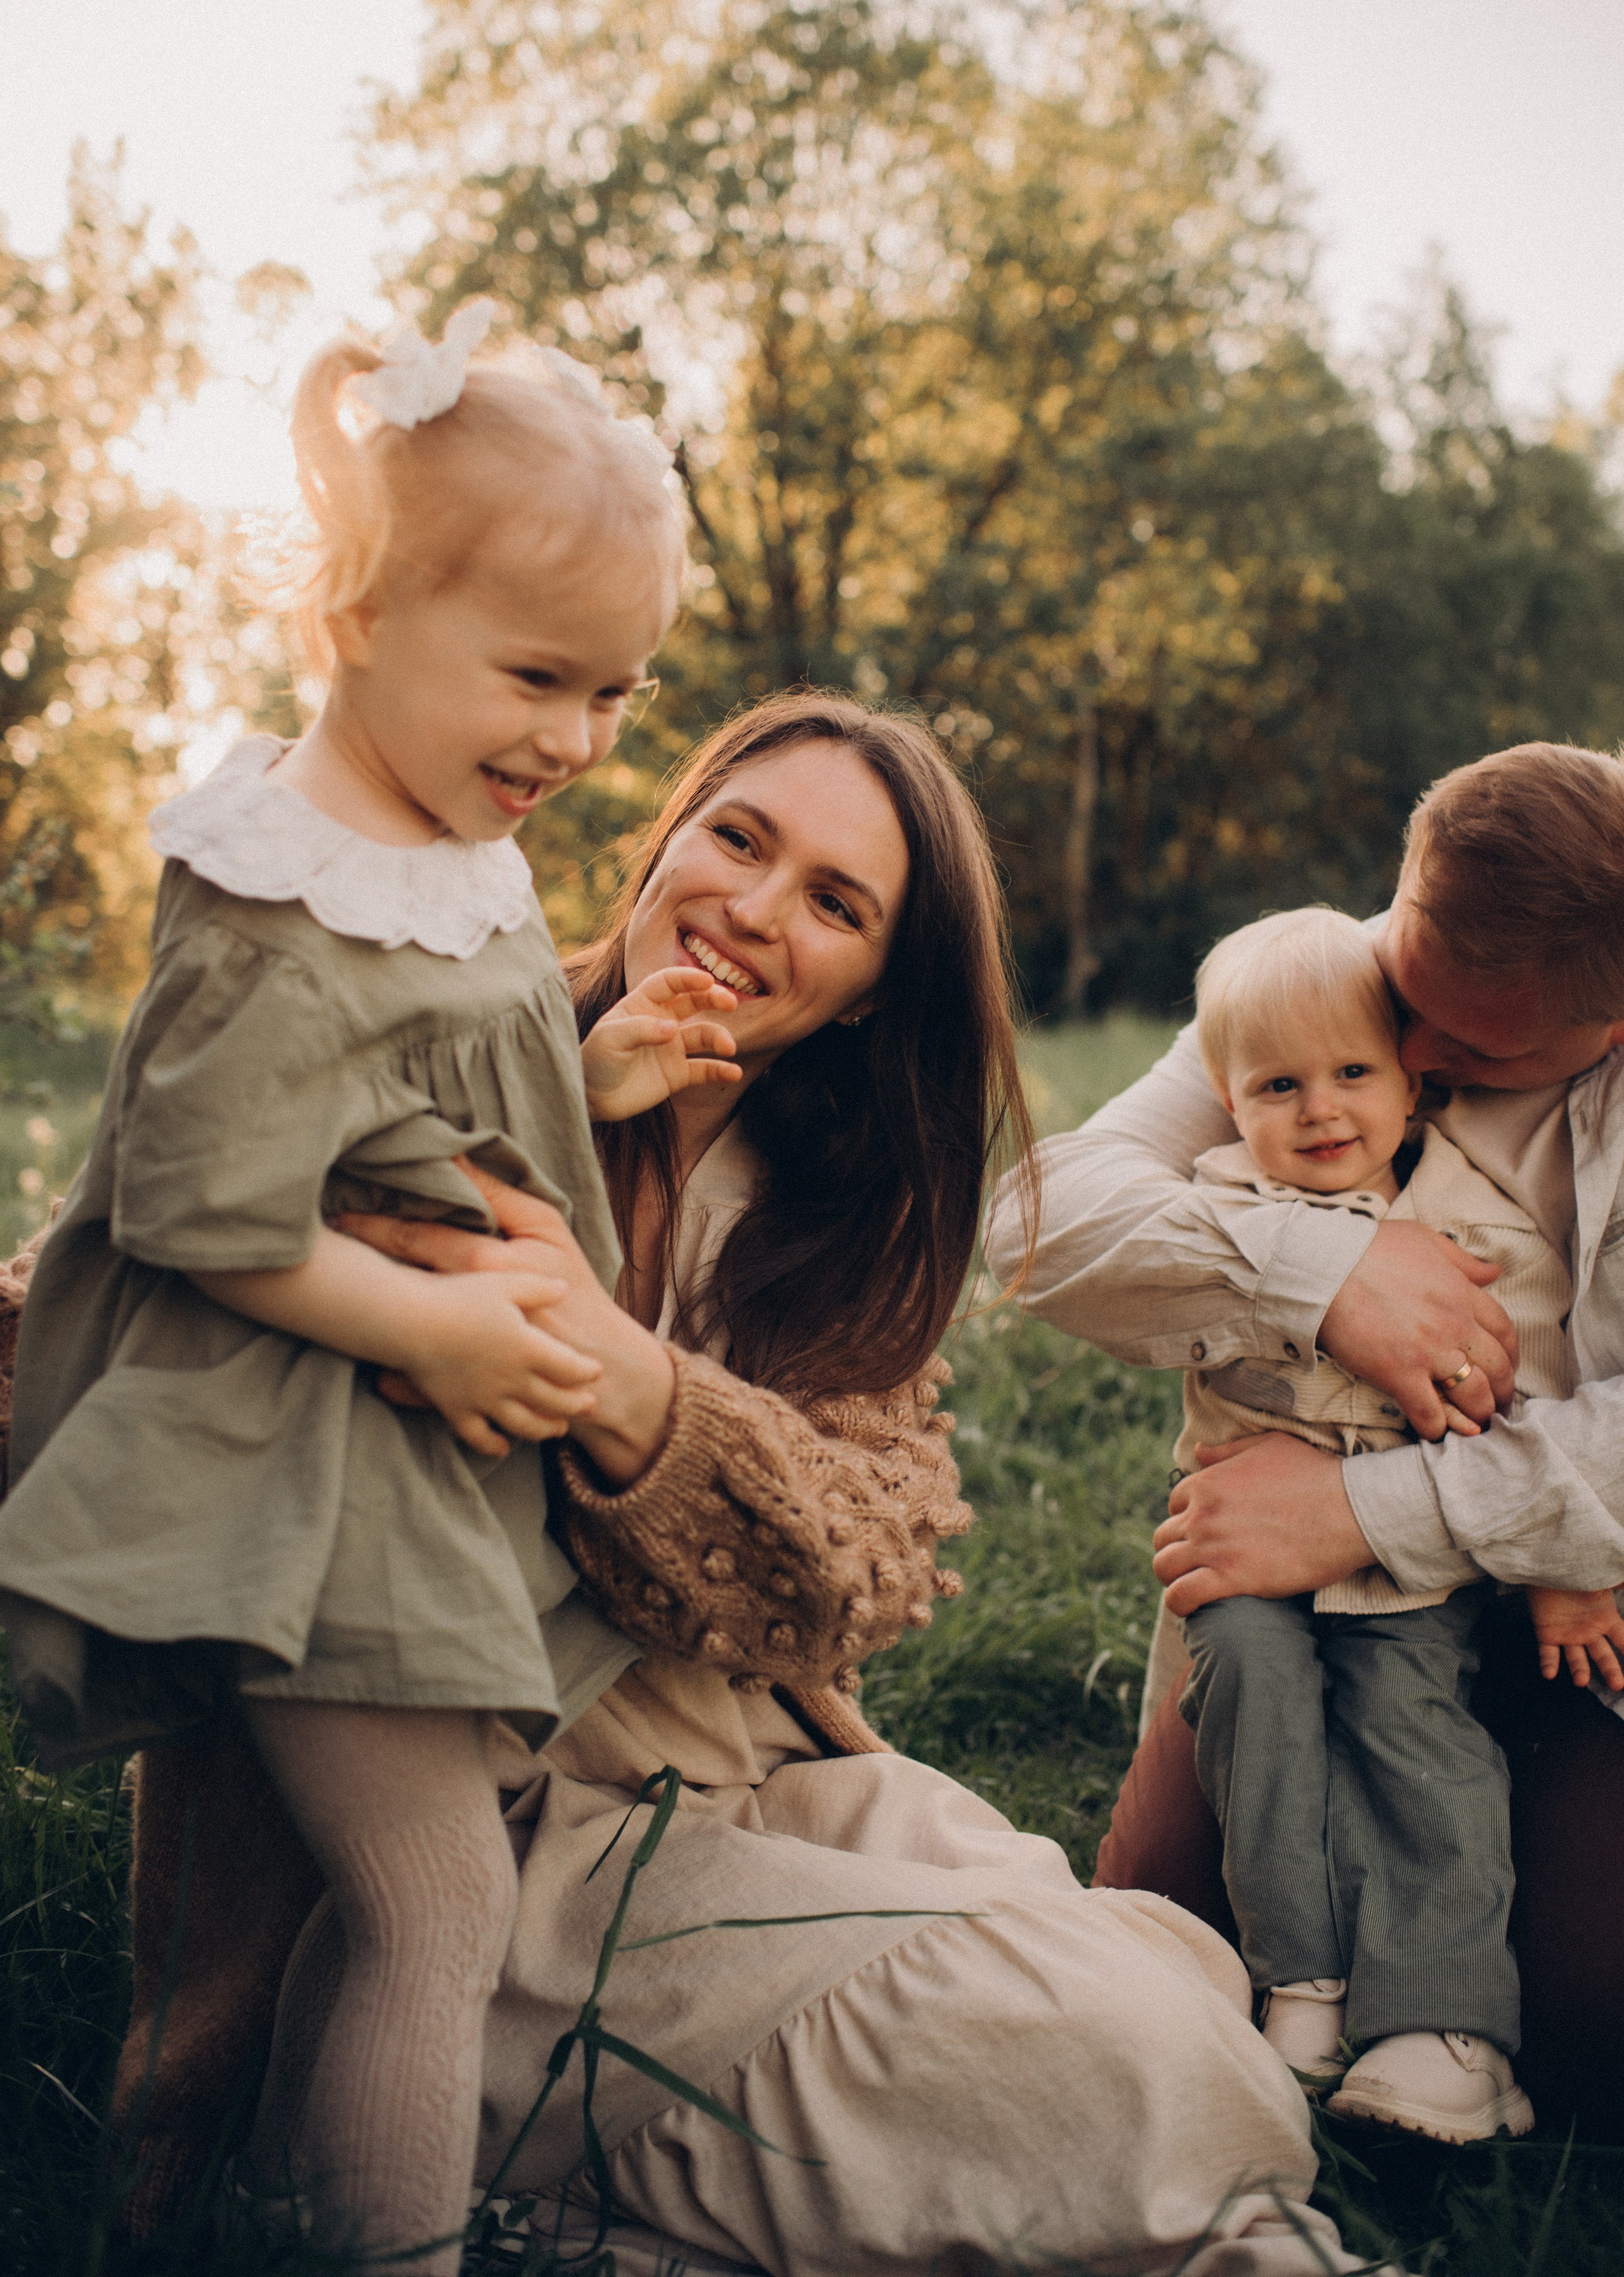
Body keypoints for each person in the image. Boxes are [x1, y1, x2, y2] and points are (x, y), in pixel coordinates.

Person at [82, 700, 1387, 2277]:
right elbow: (96, 1310)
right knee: (1096, 2055)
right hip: (470, 1823)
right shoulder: (445, 1049)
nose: (755, 913)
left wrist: (637, 1389)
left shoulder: (824, 1208)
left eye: (835, 905)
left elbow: (860, 1574)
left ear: (862, 997)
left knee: (1171, 2008)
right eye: (740, 839)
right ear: (667, 835)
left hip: (746, 1770)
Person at [0, 303, 742, 2274]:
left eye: (617, 692)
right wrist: (425, 1321)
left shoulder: (444, 838)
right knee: (432, 1906)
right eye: (536, 678)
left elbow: (401, 1109)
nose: (579, 745)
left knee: (389, 1906)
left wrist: (582, 1085)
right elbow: (193, 1198)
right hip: (298, 1473)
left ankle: (288, 2211)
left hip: (398, 1473)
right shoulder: (276, 889)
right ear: (353, 614)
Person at [983, 742, 1624, 2139]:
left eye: (1473, 1050)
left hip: (1582, 1622)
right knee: (1161, 1957)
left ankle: (1454, 1999)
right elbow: (1040, 1220)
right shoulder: (1332, 989)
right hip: (1301, 1609)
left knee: (1583, 2026)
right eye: (1408, 986)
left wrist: (1357, 1511)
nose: (1407, 1056)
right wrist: (1323, 1273)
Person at [1171, 903, 1613, 2143]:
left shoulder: (1471, 1222)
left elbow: (1528, 1394)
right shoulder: (1212, 1205)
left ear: (1407, 1084)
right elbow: (1101, 1272)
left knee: (1414, 1742)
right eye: (1276, 1087)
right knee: (1251, 1707)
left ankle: (1445, 2022)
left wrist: (1556, 1564)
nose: (1318, 1112)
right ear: (1224, 1095)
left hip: (1412, 1573)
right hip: (1246, 1565)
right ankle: (1298, 1981)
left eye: (1352, 1075)